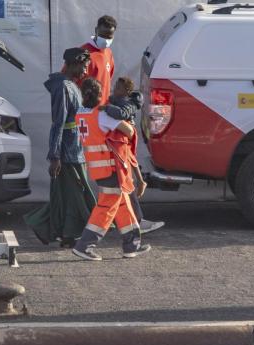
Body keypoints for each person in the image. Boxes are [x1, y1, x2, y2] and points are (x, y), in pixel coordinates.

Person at [78, 15, 164, 234]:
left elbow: (108, 86)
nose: (107, 39)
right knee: (117, 176)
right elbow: (78, 85)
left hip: (106, 118)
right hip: (99, 120)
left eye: (110, 35)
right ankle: (110, 229)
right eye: (104, 34)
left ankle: (131, 226)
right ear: (95, 29)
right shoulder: (84, 54)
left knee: (118, 176)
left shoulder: (107, 53)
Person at [73, 78, 152, 261]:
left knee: (123, 204)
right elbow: (129, 131)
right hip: (111, 169)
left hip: (98, 169)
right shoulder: (102, 115)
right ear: (100, 95)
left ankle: (131, 245)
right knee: (106, 207)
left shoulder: (80, 114)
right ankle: (85, 245)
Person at [24, 48, 96, 247]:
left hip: (75, 150)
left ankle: (65, 234)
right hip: (67, 153)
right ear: (73, 64)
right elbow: (58, 123)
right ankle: (60, 232)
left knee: (69, 195)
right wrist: (55, 156)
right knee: (74, 196)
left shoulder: (71, 85)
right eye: (83, 66)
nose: (85, 71)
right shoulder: (62, 87)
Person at [101, 77, 147, 199]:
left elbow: (121, 114)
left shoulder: (129, 103)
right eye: (115, 86)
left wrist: (106, 108)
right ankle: (139, 181)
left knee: (130, 156)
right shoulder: (114, 99)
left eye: (119, 88)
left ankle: (140, 181)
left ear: (127, 92)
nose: (115, 89)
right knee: (129, 156)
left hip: (128, 132)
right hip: (121, 131)